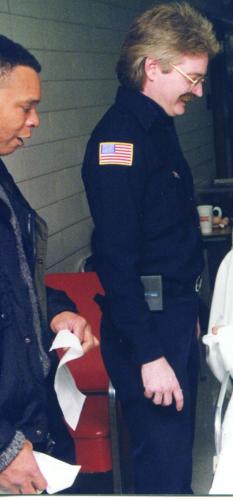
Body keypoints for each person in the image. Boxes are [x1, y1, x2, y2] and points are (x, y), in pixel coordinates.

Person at [80, 2, 219, 493]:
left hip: (172, 314)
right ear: (154, 67)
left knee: (175, 457)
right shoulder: (119, 142)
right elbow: (116, 259)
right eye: (193, 76)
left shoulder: (160, 129)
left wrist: (190, 310)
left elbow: (168, 238)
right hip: (148, 328)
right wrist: (149, 354)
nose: (199, 91)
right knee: (160, 468)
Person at [0, 35, 98, 494]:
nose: (36, 120)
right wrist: (4, 445)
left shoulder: (2, 175)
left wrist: (54, 310)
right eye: (26, 106)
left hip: (33, 417)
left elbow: (16, 278)